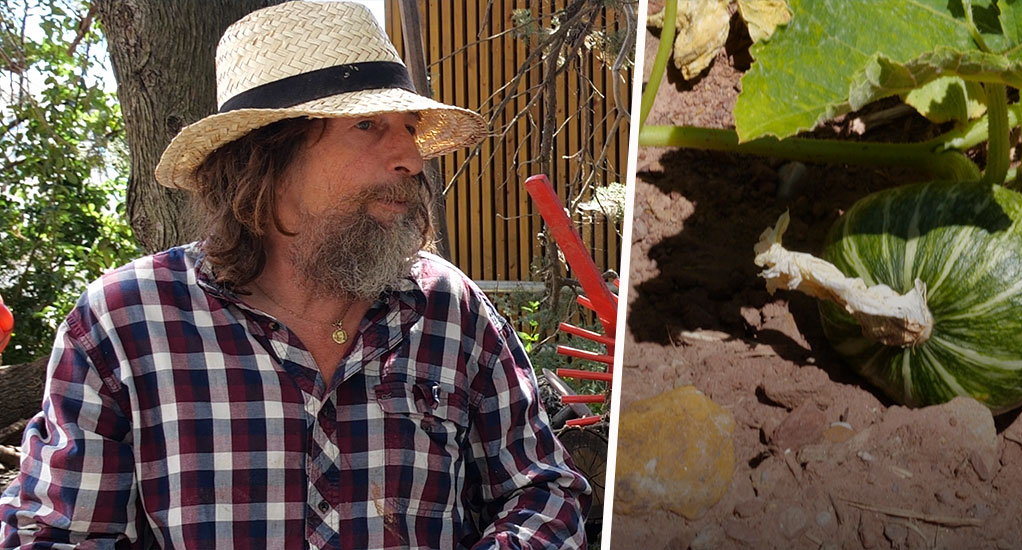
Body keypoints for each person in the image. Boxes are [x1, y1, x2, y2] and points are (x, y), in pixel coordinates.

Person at [0, 2, 591, 549]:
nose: (411, 158)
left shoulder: (448, 310)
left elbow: (542, 492)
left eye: (409, 128)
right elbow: (54, 535)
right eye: (368, 126)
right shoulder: (127, 322)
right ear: (267, 155)